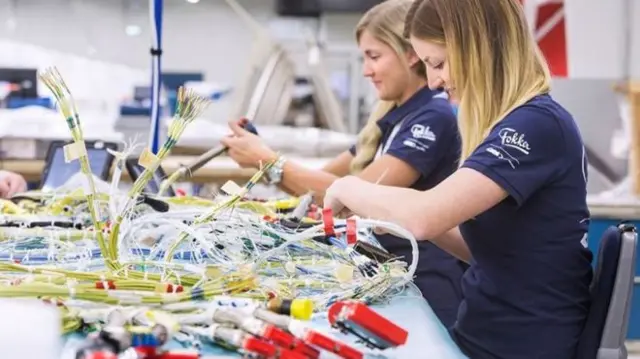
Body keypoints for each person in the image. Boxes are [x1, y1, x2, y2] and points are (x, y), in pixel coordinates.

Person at [323, 0, 593, 358]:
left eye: (438, 63)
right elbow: (484, 248)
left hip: (517, 345)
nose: (434, 81)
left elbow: (424, 215)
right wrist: (394, 220)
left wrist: (347, 186)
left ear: (476, 47)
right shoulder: (511, 124)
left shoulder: (535, 125)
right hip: (484, 333)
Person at [221, 0, 466, 327]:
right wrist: (265, 161)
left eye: (374, 56)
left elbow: (359, 194)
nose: (366, 70)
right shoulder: (392, 118)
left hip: (426, 282)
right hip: (388, 270)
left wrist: (268, 162)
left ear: (411, 55)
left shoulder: (432, 116)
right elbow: (324, 181)